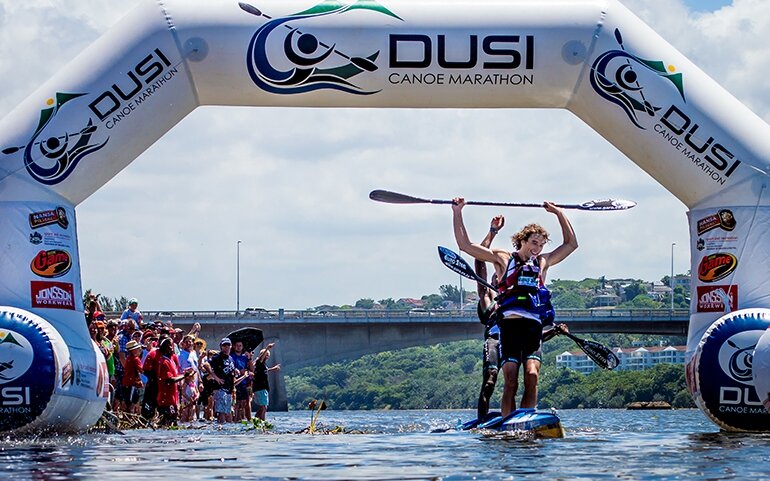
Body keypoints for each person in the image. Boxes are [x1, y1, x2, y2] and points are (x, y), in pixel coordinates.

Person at [452, 197, 578, 416]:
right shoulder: (503, 258)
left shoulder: (542, 262)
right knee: (511, 381)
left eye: (540, 244)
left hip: (533, 328)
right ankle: (508, 421)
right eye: (534, 243)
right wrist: (457, 211)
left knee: (532, 375)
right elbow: (466, 246)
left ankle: (526, 417)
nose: (537, 248)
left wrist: (559, 213)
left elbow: (571, 244)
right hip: (509, 329)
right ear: (523, 241)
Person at [474, 214, 504, 421]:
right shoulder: (487, 296)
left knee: (517, 380)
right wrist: (492, 232)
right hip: (494, 340)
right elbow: (479, 259)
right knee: (490, 380)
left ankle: (515, 416)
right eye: (495, 275)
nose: (497, 276)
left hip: (515, 339)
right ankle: (482, 421)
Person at [156, 337, 193, 426]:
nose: (172, 348)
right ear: (164, 348)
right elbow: (170, 379)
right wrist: (185, 376)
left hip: (172, 397)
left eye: (172, 345)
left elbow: (175, 376)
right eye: (169, 345)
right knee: (167, 422)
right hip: (166, 399)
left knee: (173, 421)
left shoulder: (171, 360)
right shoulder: (164, 362)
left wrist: (184, 374)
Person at [209, 338, 237, 423]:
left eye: (228, 345)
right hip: (220, 388)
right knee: (221, 411)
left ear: (231, 346)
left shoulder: (231, 358)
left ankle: (228, 430)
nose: (226, 347)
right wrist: (216, 378)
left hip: (229, 388)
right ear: (221, 346)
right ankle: (221, 427)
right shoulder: (217, 357)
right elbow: (206, 366)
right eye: (224, 345)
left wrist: (235, 371)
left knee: (228, 411)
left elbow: (231, 370)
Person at [252, 343, 280, 421]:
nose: (266, 356)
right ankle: (262, 422)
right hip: (259, 387)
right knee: (263, 407)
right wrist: (267, 348)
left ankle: (256, 420)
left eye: (267, 355)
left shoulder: (263, 365)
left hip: (264, 387)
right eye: (265, 355)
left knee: (263, 407)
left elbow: (265, 371)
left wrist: (273, 369)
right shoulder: (259, 362)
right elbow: (261, 358)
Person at [230, 340, 252, 422]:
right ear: (234, 346)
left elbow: (251, 368)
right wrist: (239, 371)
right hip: (236, 382)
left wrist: (249, 358)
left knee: (245, 402)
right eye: (237, 345)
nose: (239, 347)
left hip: (244, 382)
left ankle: (244, 418)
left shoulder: (245, 357)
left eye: (240, 346)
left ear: (242, 347)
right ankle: (235, 419)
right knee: (237, 403)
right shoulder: (231, 357)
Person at [122, 340, 144, 414]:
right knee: (132, 404)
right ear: (133, 350)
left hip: (126, 383)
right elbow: (142, 370)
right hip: (132, 384)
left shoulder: (128, 358)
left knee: (128, 402)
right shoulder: (135, 359)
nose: (139, 350)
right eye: (137, 348)